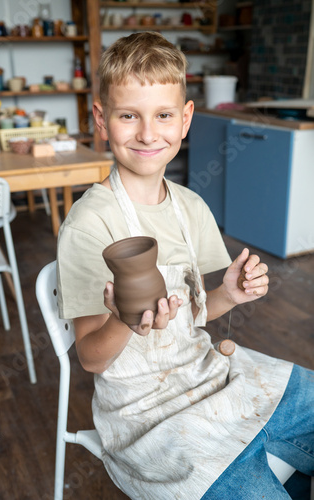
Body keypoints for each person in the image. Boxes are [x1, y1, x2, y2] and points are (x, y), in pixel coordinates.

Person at [57, 32, 314, 499]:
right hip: (145, 413)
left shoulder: (191, 207)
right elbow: (91, 357)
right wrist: (122, 320)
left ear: (186, 119)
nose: (148, 133)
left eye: (163, 115)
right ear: (101, 119)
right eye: (128, 115)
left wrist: (230, 295)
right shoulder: (88, 225)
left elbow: (193, 315)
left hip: (205, 374)